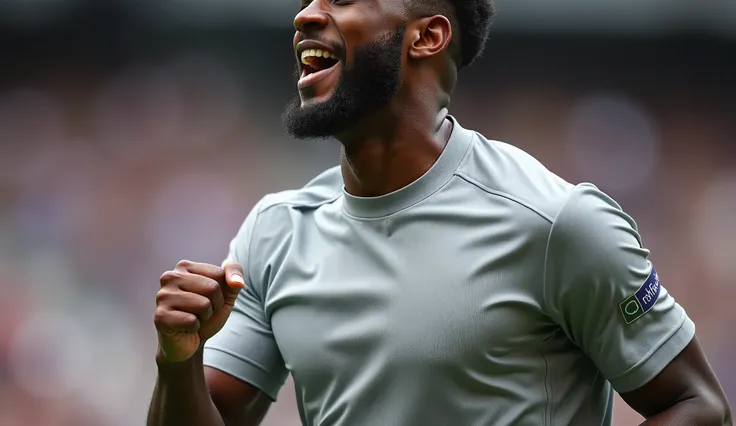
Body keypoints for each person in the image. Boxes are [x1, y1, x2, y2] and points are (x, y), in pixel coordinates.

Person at [147, 0, 732, 425]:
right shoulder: (274, 232)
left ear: (426, 36)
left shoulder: (556, 222)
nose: (304, 14)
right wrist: (179, 362)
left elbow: (696, 405)